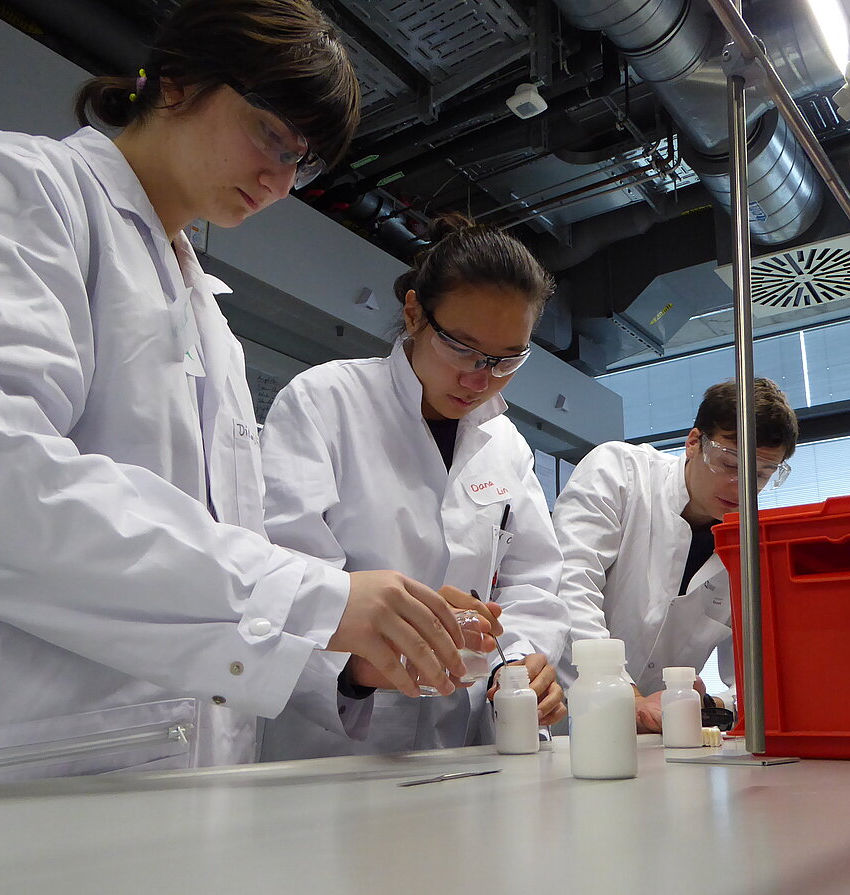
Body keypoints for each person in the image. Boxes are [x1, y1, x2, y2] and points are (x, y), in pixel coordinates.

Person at [0, 0, 477, 792]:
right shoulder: (12, 189)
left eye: (304, 164)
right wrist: (311, 599)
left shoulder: (209, 318)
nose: (280, 181)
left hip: (163, 780)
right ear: (176, 83)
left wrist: (343, 656)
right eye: (272, 137)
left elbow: (207, 567)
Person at [258, 215, 570, 759]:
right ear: (415, 313)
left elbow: (532, 582)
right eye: (462, 348)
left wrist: (518, 662)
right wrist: (357, 667)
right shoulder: (325, 402)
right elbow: (282, 571)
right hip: (335, 744)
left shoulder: (506, 445)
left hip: (459, 745)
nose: (480, 379)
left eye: (506, 360)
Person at [552, 379, 798, 732]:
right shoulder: (620, 472)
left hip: (664, 738)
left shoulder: (752, 545)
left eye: (760, 474)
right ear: (694, 442)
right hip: (569, 719)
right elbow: (571, 586)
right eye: (730, 464)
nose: (741, 485)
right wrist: (625, 696)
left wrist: (712, 705)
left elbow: (756, 671)